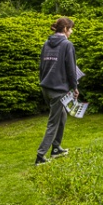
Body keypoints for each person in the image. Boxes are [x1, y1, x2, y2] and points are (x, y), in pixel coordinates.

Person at [35, 17, 79, 165]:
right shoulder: (67, 45)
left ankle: (56, 148)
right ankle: (40, 156)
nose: (72, 32)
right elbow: (71, 70)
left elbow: (42, 66)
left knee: (62, 116)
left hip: (46, 87)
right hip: (58, 90)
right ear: (65, 29)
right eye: (71, 29)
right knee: (53, 123)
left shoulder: (47, 43)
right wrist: (75, 87)